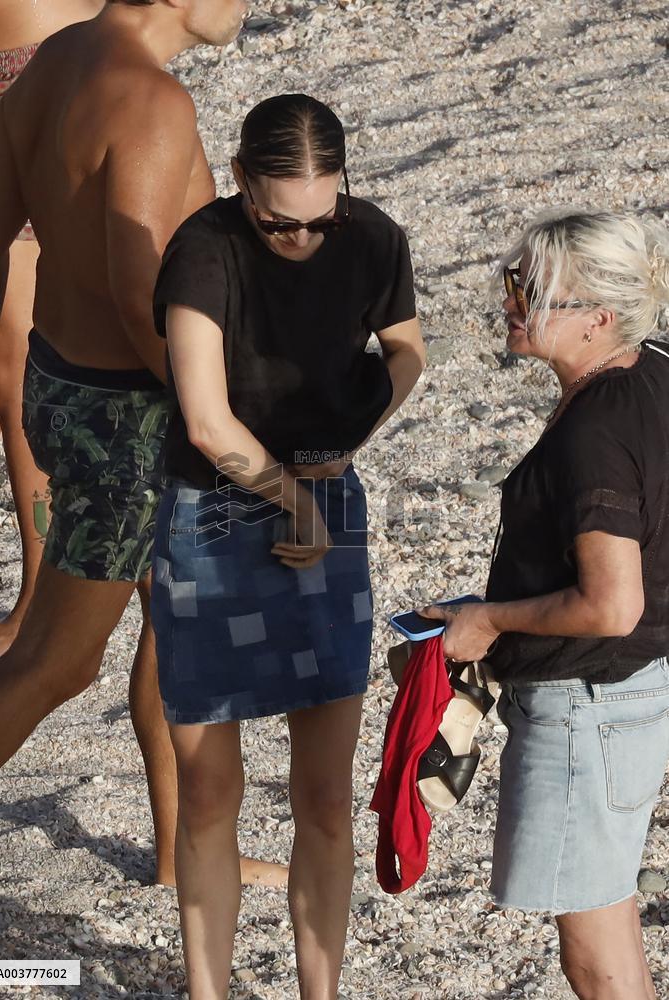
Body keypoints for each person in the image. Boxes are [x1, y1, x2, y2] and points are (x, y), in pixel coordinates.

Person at [0, 0, 285, 890]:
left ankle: (185, 855)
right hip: (132, 420)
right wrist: (222, 425)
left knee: (181, 620)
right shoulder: (150, 100)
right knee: (56, 662)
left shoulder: (55, 59)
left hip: (66, 384)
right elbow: (143, 294)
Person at [151, 92, 425, 999]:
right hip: (214, 512)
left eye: (322, 218)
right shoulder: (205, 248)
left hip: (324, 500)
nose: (303, 239)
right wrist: (292, 500)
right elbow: (204, 418)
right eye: (279, 223)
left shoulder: (376, 238)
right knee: (210, 795)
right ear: (239, 184)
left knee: (325, 798)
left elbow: (407, 351)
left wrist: (351, 441)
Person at [421, 210, 669, 1000]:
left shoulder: (592, 434)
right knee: (607, 907)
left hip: (586, 707)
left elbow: (609, 604)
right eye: (512, 282)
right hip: (634, 697)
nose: (509, 302)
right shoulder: (654, 370)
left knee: (591, 958)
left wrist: (489, 620)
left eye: (531, 290)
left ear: (599, 317)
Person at [0, 0, 105, 669]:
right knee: (3, 369)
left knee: (8, 370)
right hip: (64, 119)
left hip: (4, 140)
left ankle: (34, 611)